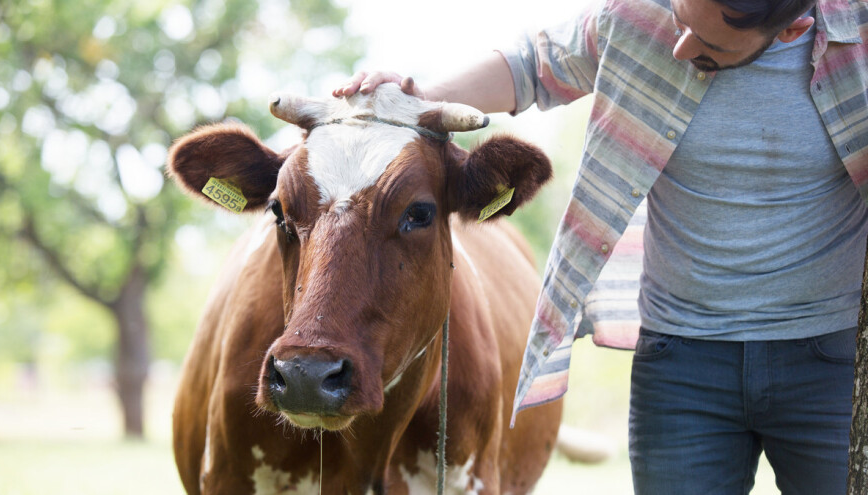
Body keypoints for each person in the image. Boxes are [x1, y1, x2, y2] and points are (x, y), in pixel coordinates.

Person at [334, 0, 868, 493]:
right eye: (680, 21)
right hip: (683, 364)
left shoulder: (858, 35)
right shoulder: (640, 16)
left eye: (708, 44)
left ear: (793, 29)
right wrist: (417, 97)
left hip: (829, 361)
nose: (679, 46)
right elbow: (531, 63)